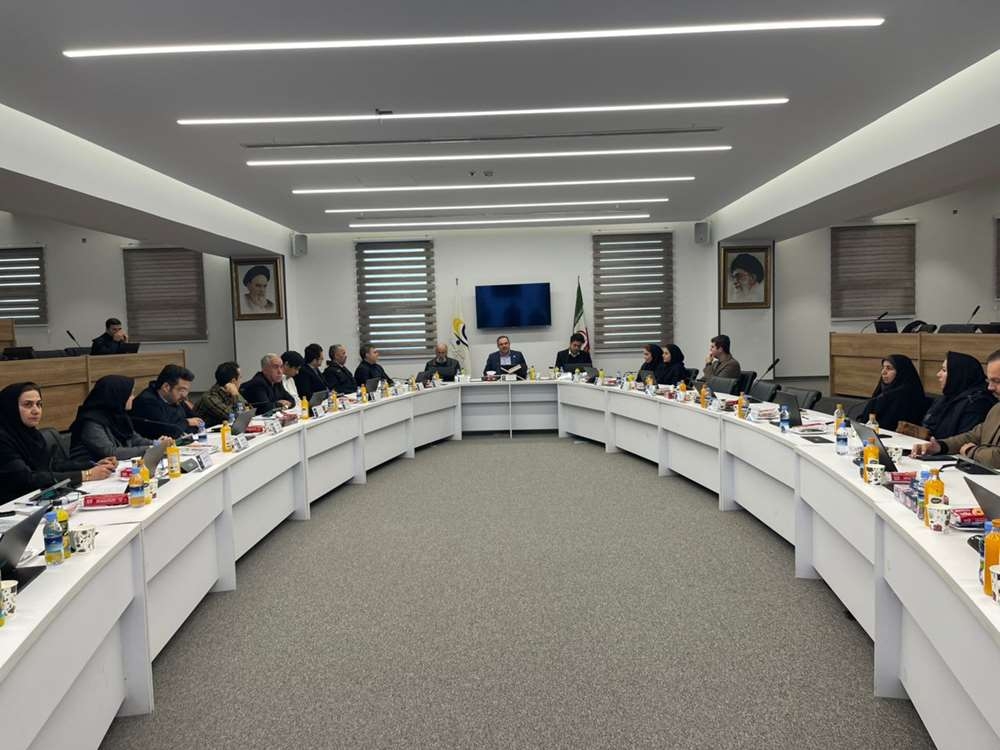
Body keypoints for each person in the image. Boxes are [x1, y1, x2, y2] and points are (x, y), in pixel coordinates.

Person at [0, 382, 115, 503]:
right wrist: (86, 475)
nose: (36, 410)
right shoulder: (3, 439)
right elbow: (27, 479)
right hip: (11, 506)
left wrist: (91, 465)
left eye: (39, 404)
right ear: (10, 407)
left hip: (36, 499)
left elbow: (53, 465)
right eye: (28, 405)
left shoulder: (32, 434)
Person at [914, 350, 1000, 466]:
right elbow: (974, 436)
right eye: (989, 381)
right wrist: (940, 446)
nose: (990, 387)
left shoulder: (978, 402)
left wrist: (972, 451)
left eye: (997, 381)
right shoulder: (997, 409)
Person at [69, 375, 174, 461]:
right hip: (90, 472)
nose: (133, 397)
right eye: (130, 394)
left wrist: (157, 443)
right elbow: (110, 452)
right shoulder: (91, 422)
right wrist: (152, 448)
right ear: (117, 395)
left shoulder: (118, 415)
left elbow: (134, 439)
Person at [922, 351, 993, 440]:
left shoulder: (977, 403)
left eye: (944, 370)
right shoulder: (948, 397)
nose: (938, 374)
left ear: (958, 374)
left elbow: (963, 440)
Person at [855, 354, 927, 432]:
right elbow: (866, 417)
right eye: (883, 367)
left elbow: (891, 426)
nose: (883, 372)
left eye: (889, 368)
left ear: (901, 372)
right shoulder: (881, 392)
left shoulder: (907, 396)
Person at [130, 364, 201, 439]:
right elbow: (168, 433)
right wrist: (187, 422)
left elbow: (198, 421)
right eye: (182, 390)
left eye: (187, 390)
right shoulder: (146, 402)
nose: (185, 395)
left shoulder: (176, 398)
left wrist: (185, 426)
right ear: (166, 387)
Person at [196, 361, 249, 427]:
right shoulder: (210, 397)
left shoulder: (229, 392)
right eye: (240, 377)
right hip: (204, 433)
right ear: (233, 381)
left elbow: (248, 411)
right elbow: (237, 418)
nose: (241, 380)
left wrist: (236, 395)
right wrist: (236, 394)